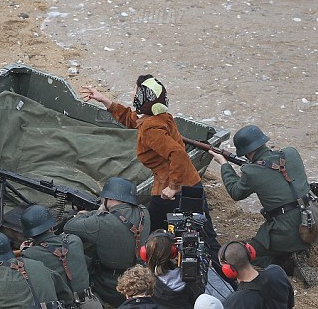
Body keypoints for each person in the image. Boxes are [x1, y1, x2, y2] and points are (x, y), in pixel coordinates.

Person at [79, 77, 223, 271]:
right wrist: (104, 100)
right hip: (185, 184)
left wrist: (173, 187)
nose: (132, 93)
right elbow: (132, 119)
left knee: (152, 229)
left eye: (135, 90)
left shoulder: (151, 128)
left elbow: (177, 154)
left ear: (142, 98)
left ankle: (144, 269)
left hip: (175, 190)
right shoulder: (158, 117)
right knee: (198, 235)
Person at [208, 125, 311, 267]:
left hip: (287, 232)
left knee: (247, 256)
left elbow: (235, 192)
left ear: (245, 153)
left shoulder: (251, 171)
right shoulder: (291, 153)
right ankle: (298, 248)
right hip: (313, 221)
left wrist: (224, 164)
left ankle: (287, 263)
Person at [64, 176, 150, 307]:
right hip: (141, 277)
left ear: (108, 198)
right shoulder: (144, 212)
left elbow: (69, 225)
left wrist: (93, 213)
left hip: (110, 286)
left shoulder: (101, 221)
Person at [20, 204, 103, 309]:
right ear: (51, 225)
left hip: (64, 305)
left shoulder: (29, 255)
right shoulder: (74, 240)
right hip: (90, 304)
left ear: (29, 234)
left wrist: (25, 250)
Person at [218, 241, 294, 309]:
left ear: (227, 268)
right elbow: (290, 305)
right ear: (250, 253)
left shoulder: (233, 302)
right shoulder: (277, 272)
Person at [141, 230, 202, 309]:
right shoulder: (189, 278)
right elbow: (198, 294)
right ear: (174, 252)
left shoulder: (143, 282)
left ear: (145, 253)